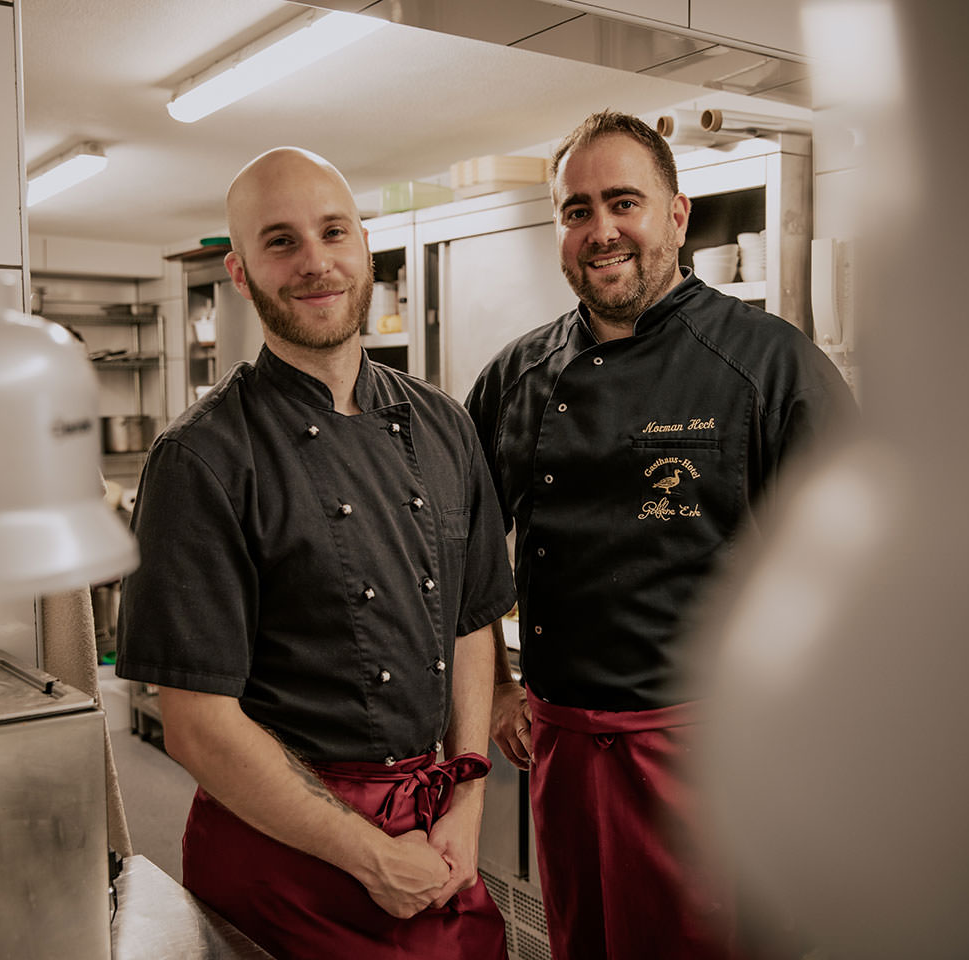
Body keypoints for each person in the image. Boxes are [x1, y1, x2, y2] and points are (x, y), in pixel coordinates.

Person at [464, 111, 858, 959]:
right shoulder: (514, 377)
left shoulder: (769, 364)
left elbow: (855, 579)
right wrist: (498, 686)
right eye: (576, 212)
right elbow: (463, 552)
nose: (600, 231)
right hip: (563, 751)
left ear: (676, 216)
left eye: (623, 203)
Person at [115, 147, 516, 960]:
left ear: (365, 244)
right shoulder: (201, 460)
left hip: (432, 836)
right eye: (281, 241)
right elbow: (195, 726)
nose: (315, 262)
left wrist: (467, 797)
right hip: (282, 858)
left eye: (333, 231)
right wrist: (370, 856)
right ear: (240, 270)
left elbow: (473, 620)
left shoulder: (444, 424)